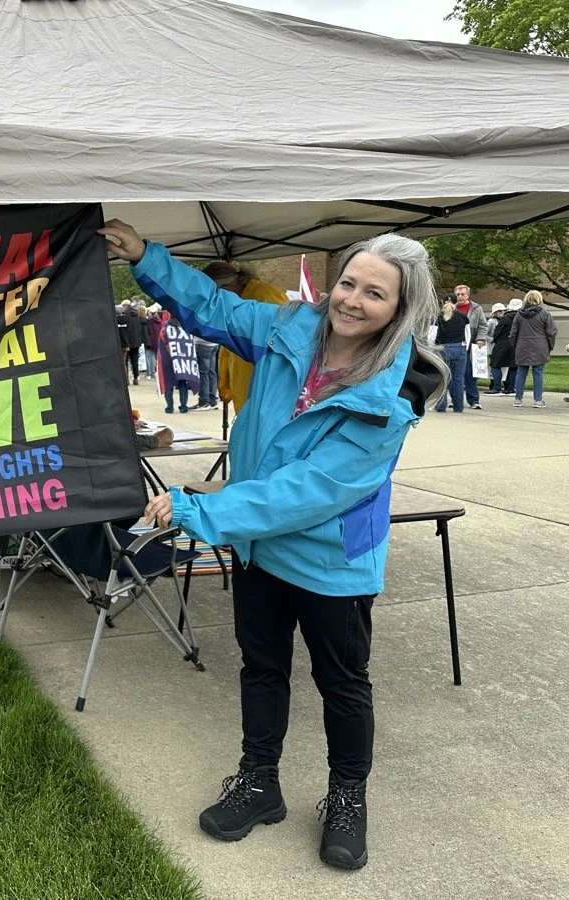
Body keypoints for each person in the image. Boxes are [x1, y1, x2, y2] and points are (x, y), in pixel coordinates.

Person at [99, 218, 447, 872]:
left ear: (400, 310)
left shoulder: (390, 399)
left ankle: (347, 796)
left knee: (342, 682)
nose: (351, 300)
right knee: (262, 668)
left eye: (374, 294)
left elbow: (307, 492)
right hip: (259, 549)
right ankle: (259, 782)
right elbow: (215, 307)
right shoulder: (291, 329)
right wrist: (146, 255)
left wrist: (203, 508)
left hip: (331, 562)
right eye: (348, 282)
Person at [203, 261, 290, 413]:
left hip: (265, 394)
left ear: (224, 288)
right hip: (246, 391)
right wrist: (225, 387)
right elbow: (227, 350)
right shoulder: (237, 303)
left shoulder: (266, 298)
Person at [509, 290, 558, 408]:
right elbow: (551, 332)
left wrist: (515, 345)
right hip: (540, 346)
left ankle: (518, 399)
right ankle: (538, 400)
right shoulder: (545, 313)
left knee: (521, 372)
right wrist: (549, 346)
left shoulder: (519, 314)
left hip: (522, 346)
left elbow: (513, 333)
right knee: (538, 372)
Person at [452, 284, 488, 409]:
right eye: (458, 294)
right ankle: (455, 399)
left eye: (463, 294)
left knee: (469, 373)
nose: (460, 297)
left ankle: (473, 400)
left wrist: (480, 339)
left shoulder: (476, 308)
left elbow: (483, 325)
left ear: (468, 295)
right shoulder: (451, 308)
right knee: (455, 374)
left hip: (469, 344)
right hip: (454, 343)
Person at [432, 299, 472, 413]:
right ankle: (458, 406)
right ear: (456, 303)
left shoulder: (438, 317)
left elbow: (432, 334)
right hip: (460, 348)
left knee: (442, 378)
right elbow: (467, 335)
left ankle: (441, 405)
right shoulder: (463, 317)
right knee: (458, 379)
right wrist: (465, 348)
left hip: (443, 348)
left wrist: (431, 348)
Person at [484, 302, 509, 394]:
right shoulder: (491, 322)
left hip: (501, 347)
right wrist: (493, 340)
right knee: (494, 367)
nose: (502, 313)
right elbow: (485, 334)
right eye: (499, 311)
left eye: (503, 311)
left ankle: (503, 383)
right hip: (492, 347)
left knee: (503, 367)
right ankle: (493, 383)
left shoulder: (505, 321)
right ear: (495, 313)